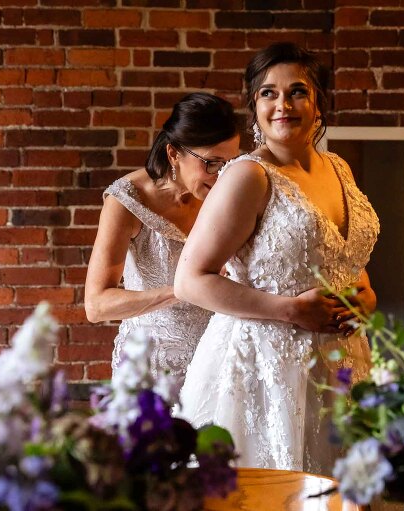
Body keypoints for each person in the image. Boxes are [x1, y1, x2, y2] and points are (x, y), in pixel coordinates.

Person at [174, 43, 380, 473]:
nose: (283, 104)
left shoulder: (339, 167)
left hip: (341, 363)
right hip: (266, 372)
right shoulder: (247, 176)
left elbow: (344, 259)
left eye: (297, 92)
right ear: (254, 106)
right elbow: (190, 280)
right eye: (268, 93)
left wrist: (366, 298)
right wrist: (291, 310)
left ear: (318, 101)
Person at [84, 92, 241, 382]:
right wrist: (183, 288)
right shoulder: (125, 201)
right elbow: (97, 305)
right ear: (173, 154)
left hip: (220, 363)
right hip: (152, 370)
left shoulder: (228, 194)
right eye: (211, 163)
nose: (222, 177)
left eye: (230, 164)